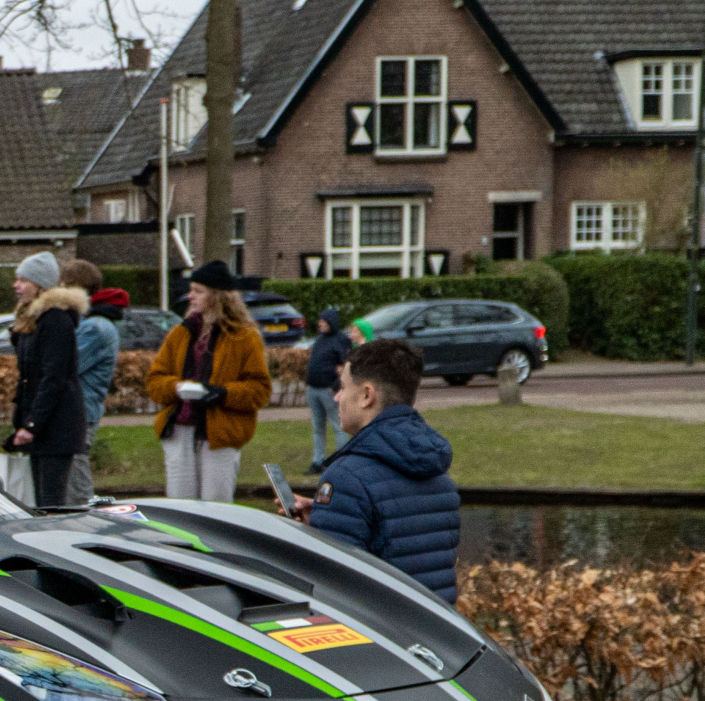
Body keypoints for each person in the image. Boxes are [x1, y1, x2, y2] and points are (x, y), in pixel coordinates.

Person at [293, 338, 460, 602]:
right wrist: (330, 515)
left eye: (343, 387)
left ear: (367, 395)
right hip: (436, 633)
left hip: (377, 636)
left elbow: (330, 586)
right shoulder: (435, 467)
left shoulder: (345, 477)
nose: (336, 397)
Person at [144, 259, 270, 501]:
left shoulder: (244, 338)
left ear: (217, 296)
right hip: (179, 431)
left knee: (216, 508)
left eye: (198, 291)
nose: (190, 296)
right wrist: (176, 387)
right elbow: (155, 380)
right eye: (191, 290)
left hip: (220, 436)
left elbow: (259, 390)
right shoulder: (180, 334)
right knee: (180, 510)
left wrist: (222, 393)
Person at [4, 252, 89, 508]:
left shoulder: (55, 320)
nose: (16, 286)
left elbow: (53, 378)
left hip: (56, 427)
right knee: (41, 501)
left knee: (51, 502)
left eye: (23, 280)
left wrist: (32, 425)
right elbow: (29, 376)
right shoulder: (33, 321)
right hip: (41, 427)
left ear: (40, 285)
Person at [66, 258, 126, 505]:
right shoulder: (94, 323)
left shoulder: (95, 327)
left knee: (75, 484)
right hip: (82, 409)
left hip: (80, 411)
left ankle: (85, 524)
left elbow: (69, 364)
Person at [304, 307, 351, 464]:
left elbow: (345, 364)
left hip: (328, 390)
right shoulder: (320, 339)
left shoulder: (341, 340)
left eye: (324, 321)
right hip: (313, 388)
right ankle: (318, 461)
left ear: (332, 322)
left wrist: (336, 385)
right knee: (318, 428)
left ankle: (341, 459)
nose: (320, 324)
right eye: (320, 321)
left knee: (337, 425)